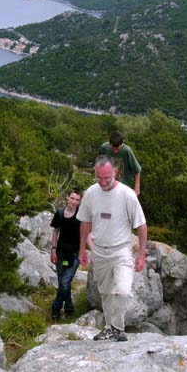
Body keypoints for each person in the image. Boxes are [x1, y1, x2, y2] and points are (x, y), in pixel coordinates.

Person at [77, 155, 147, 341]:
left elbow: (141, 226)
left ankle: (118, 327)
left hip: (121, 251)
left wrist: (141, 255)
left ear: (115, 172)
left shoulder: (127, 195)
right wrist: (82, 250)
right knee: (106, 292)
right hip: (99, 251)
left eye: (107, 177)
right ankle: (110, 327)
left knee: (123, 291)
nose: (103, 182)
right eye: (99, 178)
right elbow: (84, 222)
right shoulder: (91, 193)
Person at [50, 188, 83, 320]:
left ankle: (55, 308)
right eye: (72, 198)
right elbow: (55, 231)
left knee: (64, 282)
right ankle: (69, 308)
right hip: (62, 254)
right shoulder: (60, 214)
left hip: (75, 255)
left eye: (77, 199)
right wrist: (53, 249)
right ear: (67, 198)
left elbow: (87, 233)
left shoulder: (82, 215)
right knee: (64, 282)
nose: (74, 202)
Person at [99, 130, 141, 196]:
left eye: (118, 149)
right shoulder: (104, 148)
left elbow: (137, 171)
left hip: (123, 188)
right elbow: (100, 166)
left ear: (122, 142)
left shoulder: (127, 151)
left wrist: (137, 187)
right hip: (107, 186)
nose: (115, 151)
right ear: (109, 142)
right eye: (113, 148)